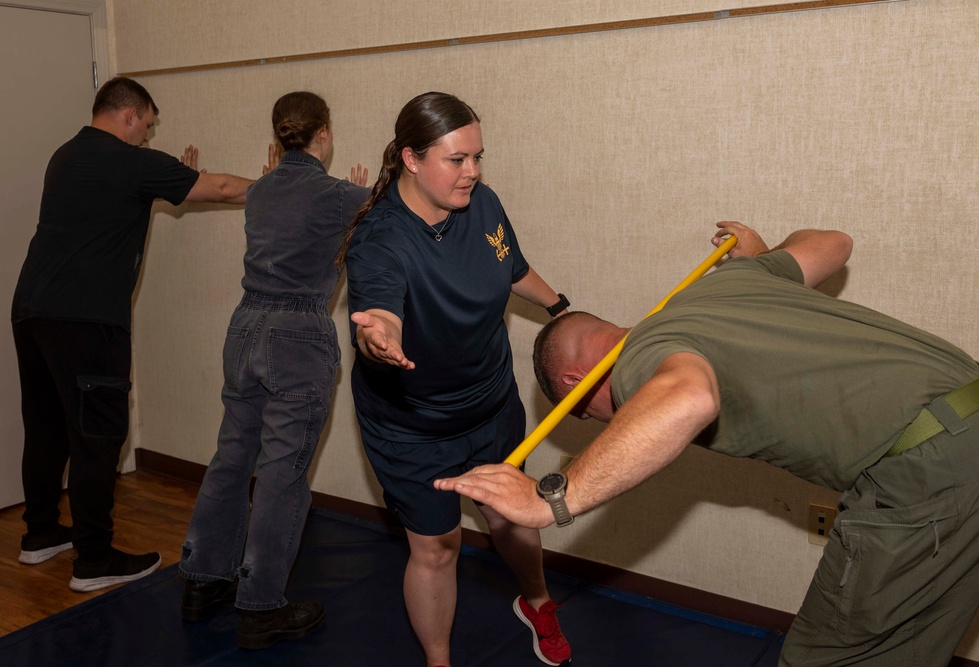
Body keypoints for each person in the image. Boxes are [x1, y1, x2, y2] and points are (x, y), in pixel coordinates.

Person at [436, 220, 979, 666]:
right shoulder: (729, 283)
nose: (612, 423)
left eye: (593, 416)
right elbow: (833, 244)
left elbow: (685, 399)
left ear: (574, 384)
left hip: (932, 469)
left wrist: (549, 499)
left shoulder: (641, 364)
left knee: (827, 659)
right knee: (909, 645)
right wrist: (759, 256)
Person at [339, 91, 573, 667]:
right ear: (411, 159)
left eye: (478, 157)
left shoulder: (483, 203)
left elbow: (512, 267)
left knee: (511, 513)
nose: (473, 172)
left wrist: (563, 309)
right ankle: (438, 662)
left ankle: (538, 603)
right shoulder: (380, 239)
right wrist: (380, 337)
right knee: (438, 549)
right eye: (457, 160)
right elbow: (381, 308)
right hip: (414, 427)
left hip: (492, 406)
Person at [12, 76, 255, 593]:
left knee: (48, 426)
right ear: (129, 114)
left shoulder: (66, 156)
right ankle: (94, 558)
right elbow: (224, 188)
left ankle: (40, 534)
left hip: (33, 309)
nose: (147, 134)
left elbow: (119, 203)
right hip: (86, 320)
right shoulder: (133, 161)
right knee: (98, 437)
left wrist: (173, 177)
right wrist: (278, 188)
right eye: (147, 124)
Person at [177, 91, 369, 650]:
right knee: (283, 471)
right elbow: (396, 210)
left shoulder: (261, 190)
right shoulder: (337, 195)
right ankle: (261, 607)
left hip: (244, 328)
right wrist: (367, 194)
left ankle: (201, 581)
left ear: (275, 140)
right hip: (297, 336)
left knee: (232, 458)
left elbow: (283, 207)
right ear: (324, 134)